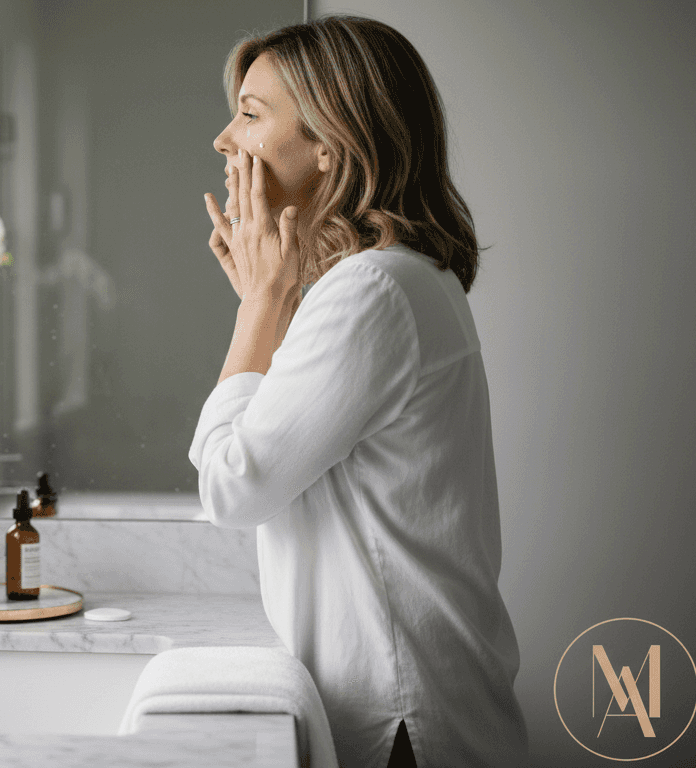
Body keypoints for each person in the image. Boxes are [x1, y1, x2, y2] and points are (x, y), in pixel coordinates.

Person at [191, 15, 528, 768]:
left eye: (249, 113)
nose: (223, 139)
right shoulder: (392, 277)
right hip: (420, 698)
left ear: (329, 144)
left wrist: (258, 309)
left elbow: (232, 488)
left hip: (399, 719)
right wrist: (275, 299)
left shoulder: (369, 291)